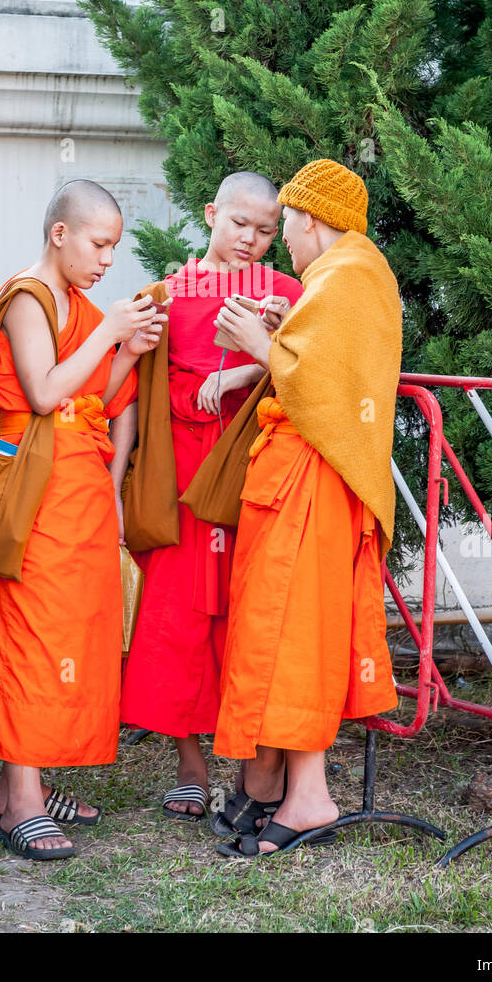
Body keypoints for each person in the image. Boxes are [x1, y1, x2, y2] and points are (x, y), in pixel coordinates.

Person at [0, 179, 166, 860]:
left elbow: (88, 399)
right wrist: (110, 330)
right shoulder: (27, 297)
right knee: (28, 633)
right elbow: (42, 393)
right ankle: (25, 803)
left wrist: (125, 351)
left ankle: (19, 792)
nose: (106, 260)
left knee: (68, 635)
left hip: (75, 485)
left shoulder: (74, 304)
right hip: (33, 485)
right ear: (60, 234)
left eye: (114, 248)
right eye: (99, 244)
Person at [204, 159, 402, 857]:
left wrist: (256, 344)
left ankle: (308, 795)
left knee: (295, 634)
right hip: (294, 479)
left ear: (308, 218)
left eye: (284, 222)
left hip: (314, 480)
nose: (281, 239)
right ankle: (273, 784)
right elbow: (326, 365)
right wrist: (280, 331)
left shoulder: (350, 274)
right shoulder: (339, 274)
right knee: (280, 629)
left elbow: (327, 392)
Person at [116, 172, 304, 820]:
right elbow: (133, 398)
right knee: (176, 621)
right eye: (238, 225)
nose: (250, 240)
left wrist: (253, 363)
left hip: (254, 483)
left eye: (265, 230)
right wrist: (118, 491)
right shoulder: (167, 295)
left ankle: (254, 769)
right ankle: (190, 765)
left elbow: (311, 371)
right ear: (210, 215)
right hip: (179, 487)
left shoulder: (287, 294)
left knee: (247, 620)